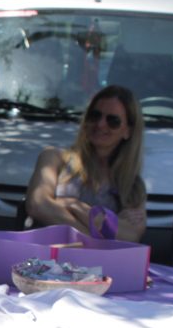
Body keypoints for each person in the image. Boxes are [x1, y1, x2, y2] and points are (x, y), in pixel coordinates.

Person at [25, 84, 147, 242]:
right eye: (95, 116)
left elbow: (131, 235)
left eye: (113, 121)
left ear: (128, 131)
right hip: (45, 254)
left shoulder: (132, 184)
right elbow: (37, 205)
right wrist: (99, 233)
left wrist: (75, 206)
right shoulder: (54, 158)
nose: (100, 124)